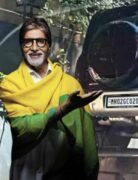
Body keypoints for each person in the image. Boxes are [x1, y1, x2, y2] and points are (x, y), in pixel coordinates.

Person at [0, 17, 102, 180]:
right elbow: (22, 128)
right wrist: (61, 110)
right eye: (28, 42)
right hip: (26, 172)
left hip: (67, 173)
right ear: (22, 46)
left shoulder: (70, 85)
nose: (34, 48)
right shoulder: (11, 84)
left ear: (48, 45)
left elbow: (87, 142)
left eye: (40, 41)